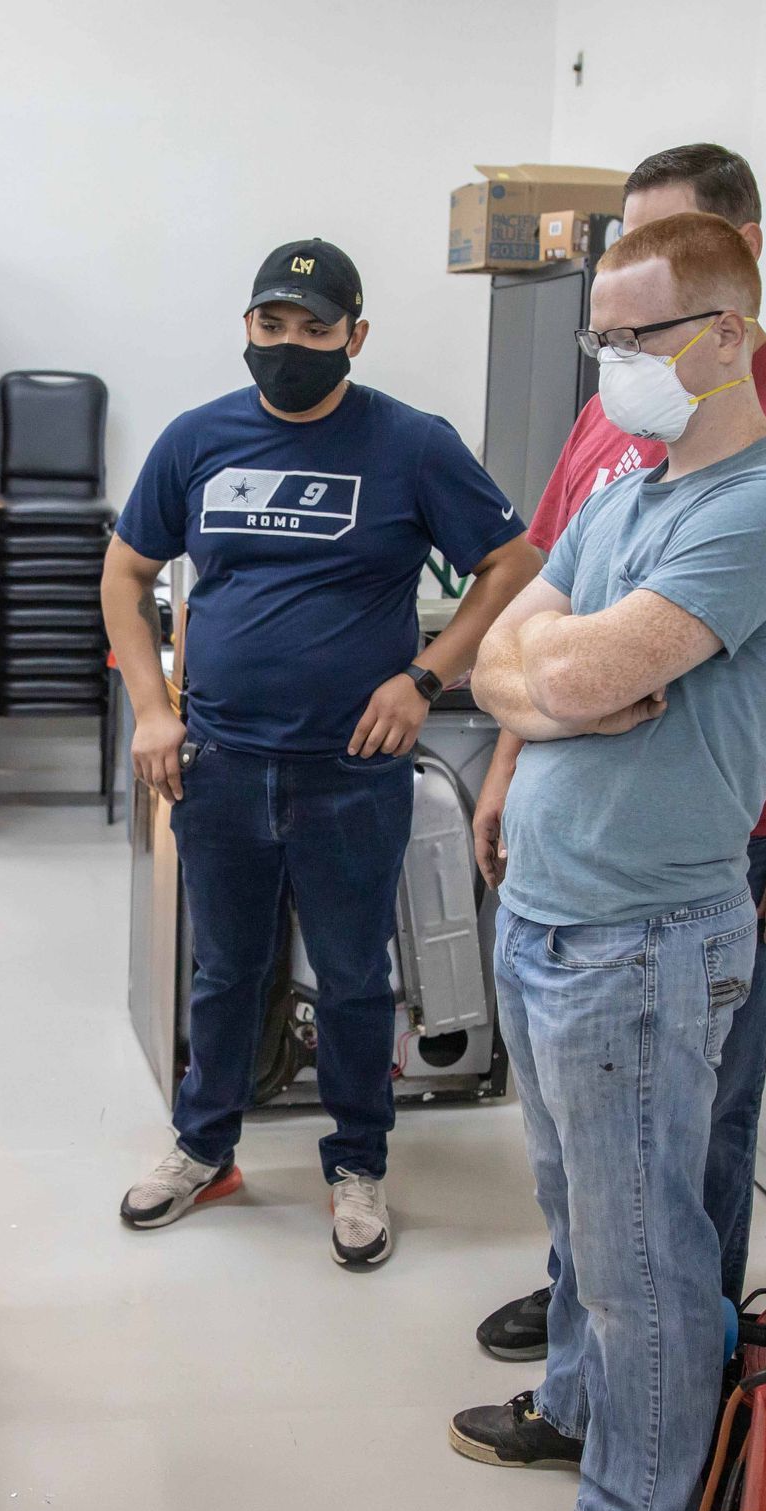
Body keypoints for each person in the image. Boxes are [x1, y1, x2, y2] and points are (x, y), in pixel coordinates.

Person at [472, 144, 766, 1373]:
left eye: (645, 302)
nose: (614, 339)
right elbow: (527, 639)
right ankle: (601, 1370)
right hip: (582, 815)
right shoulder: (625, 429)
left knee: (693, 1145)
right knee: (594, 1158)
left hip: (735, 826)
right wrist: (517, 751)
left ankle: (686, 1394)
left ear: (735, 279)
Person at [454, 212, 766, 1511]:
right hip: (549, 918)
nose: (614, 360)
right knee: (579, 1232)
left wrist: (555, 676)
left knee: (643, 1263)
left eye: (640, 335)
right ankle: (579, 1418)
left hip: (644, 934)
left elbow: (572, 665)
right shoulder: (628, 488)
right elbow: (513, 656)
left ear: (727, 337)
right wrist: (549, 687)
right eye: (602, 336)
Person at [103, 237, 540, 1264]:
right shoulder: (197, 440)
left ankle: (358, 1164)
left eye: (312, 329)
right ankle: (204, 1148)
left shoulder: (411, 444)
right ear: (246, 326)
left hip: (350, 768)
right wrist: (152, 710)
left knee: (351, 975)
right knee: (224, 970)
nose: (288, 346)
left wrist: (426, 675)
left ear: (356, 336)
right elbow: (126, 573)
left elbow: (512, 562)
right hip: (217, 757)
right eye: (271, 325)